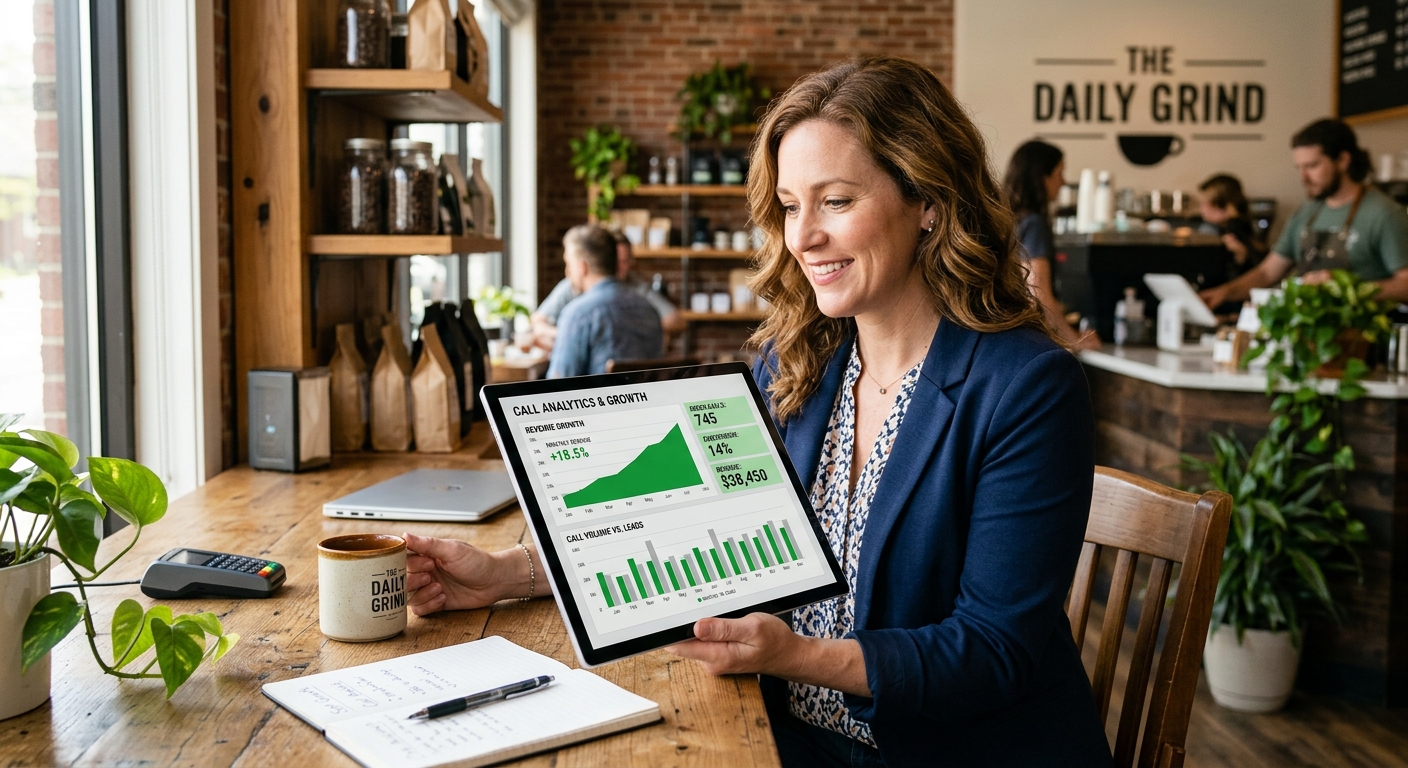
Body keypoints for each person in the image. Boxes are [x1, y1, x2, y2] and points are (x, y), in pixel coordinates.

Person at [402, 56, 1112, 767]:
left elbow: (992, 653)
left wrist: (799, 656)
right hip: (786, 741)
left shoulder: (1027, 387)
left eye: (835, 201)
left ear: (929, 202)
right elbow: (688, 544)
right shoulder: (797, 362)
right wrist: (511, 574)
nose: (802, 238)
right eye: (791, 206)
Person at [1200, 118, 1408, 309]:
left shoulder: (1383, 214)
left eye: (1312, 166)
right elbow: (1267, 273)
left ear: (1343, 160)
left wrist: (1349, 289)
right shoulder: (1306, 212)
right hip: (1308, 336)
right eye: (1299, 168)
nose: (1304, 177)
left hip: (1362, 341)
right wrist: (1224, 293)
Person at [1002, 139, 1100, 349]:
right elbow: (1038, 293)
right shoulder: (1034, 224)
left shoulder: (1005, 220)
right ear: (1042, 178)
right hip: (1025, 341)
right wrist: (1075, 339)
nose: (1063, 182)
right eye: (1059, 173)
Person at [531, 230, 683, 350]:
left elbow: (676, 320)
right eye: (615, 262)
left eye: (624, 262)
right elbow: (538, 320)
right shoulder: (571, 289)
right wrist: (570, 335)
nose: (618, 268)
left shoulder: (639, 291)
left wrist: (625, 327)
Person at [545, 224, 663, 377]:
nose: (567, 272)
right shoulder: (649, 310)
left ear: (582, 267)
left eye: (568, 263)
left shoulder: (578, 314)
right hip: (646, 400)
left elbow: (558, 386)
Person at [1197, 174, 1264, 278]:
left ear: (1224, 206)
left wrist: (1240, 256)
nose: (1202, 207)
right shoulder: (1240, 225)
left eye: (1206, 202)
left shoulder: (1234, 230)